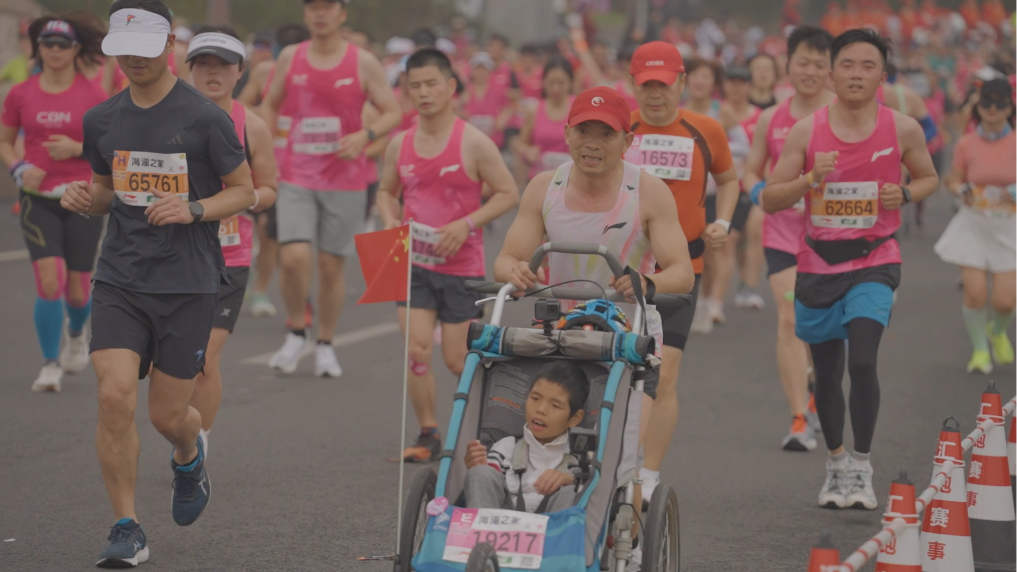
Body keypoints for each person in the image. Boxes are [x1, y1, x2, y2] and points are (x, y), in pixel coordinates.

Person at [59, 0, 255, 566]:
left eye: (144, 50)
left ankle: (189, 456)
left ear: (169, 45)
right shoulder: (101, 119)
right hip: (120, 277)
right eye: (123, 51)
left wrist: (193, 209)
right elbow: (105, 192)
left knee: (168, 417)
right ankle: (127, 528)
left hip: (188, 282)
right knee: (114, 394)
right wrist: (83, 197)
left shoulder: (206, 118)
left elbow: (245, 191)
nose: (134, 61)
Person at [762, 29, 938, 510]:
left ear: (882, 77)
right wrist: (809, 179)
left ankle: (862, 464)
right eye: (847, 65)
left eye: (867, 66)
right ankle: (836, 462)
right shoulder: (806, 131)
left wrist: (904, 193)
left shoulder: (902, 128)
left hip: (875, 258)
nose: (856, 74)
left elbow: (929, 178)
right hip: (817, 263)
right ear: (832, 74)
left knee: (862, 361)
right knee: (827, 372)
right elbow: (770, 197)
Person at [376, 49, 519, 462]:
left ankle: (484, 433)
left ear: (451, 87)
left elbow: (508, 192)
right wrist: (390, 220)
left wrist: (465, 224)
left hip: (461, 268)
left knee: (458, 360)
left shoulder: (473, 142)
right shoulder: (400, 144)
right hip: (414, 264)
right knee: (418, 351)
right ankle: (429, 435)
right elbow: (386, 191)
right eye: (415, 86)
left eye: (431, 84)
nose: (423, 93)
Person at [261, 0, 401, 377]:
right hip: (296, 174)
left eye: (328, 6)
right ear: (306, 13)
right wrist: (269, 151)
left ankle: (325, 342)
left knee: (330, 266)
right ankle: (296, 331)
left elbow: (392, 111)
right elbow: (270, 105)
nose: (319, 14)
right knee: (293, 258)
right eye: (313, 6)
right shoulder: (291, 57)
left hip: (345, 177)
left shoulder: (362, 62)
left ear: (342, 13)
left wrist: (364, 135)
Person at [625, 42, 739, 503]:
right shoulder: (620, 129)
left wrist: (722, 223)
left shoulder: (704, 129)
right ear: (634, 85)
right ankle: (614, 459)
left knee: (664, 374)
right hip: (621, 272)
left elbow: (728, 179)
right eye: (647, 85)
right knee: (615, 368)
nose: (656, 94)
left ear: (682, 83)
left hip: (681, 269)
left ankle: (647, 471)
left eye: (664, 85)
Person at [0, 14, 109, 392]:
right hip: (37, 200)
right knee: (50, 282)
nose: (55, 50)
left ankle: (76, 334)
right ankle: (50, 363)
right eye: (48, 43)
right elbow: (5, 141)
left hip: (82, 199)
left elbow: (110, 149)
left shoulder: (94, 96)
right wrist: (18, 168)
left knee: (77, 290)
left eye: (63, 44)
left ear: (77, 49)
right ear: (38, 47)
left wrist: (76, 148)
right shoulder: (21, 93)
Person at [185, 26, 279, 453]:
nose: (212, 73)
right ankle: (180, 429)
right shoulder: (167, 118)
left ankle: (197, 445)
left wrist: (243, 198)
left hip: (230, 256)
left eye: (223, 65)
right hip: (173, 253)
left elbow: (270, 188)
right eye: (203, 63)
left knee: (205, 358)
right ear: (189, 69)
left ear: (240, 72)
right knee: (173, 362)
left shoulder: (252, 127)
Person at [746, 25, 836, 452]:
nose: (811, 71)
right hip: (782, 233)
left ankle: (817, 388)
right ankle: (799, 417)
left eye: (820, 64)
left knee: (824, 327)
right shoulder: (772, 118)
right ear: (789, 65)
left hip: (833, 238)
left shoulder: (845, 114)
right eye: (804, 62)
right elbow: (751, 170)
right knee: (789, 317)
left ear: (831, 69)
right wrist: (759, 194)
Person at [934, 78, 1017, 374]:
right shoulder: (966, 143)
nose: (993, 108)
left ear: (1009, 107)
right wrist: (961, 189)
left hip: (1009, 226)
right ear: (978, 106)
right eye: (987, 101)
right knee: (975, 292)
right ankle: (980, 350)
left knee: (1005, 301)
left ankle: (998, 331)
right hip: (973, 225)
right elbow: (953, 179)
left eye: (1000, 102)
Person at [238, 23, 310, 320]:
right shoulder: (265, 72)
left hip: (295, 168)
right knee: (244, 226)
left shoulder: (315, 75)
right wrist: (265, 119)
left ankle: (261, 291)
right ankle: (238, 277)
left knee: (271, 236)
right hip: (259, 160)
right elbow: (239, 105)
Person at [463, 361, 589, 512]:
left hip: (554, 522)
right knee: (480, 473)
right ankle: (479, 527)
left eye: (555, 405)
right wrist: (478, 466)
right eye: (535, 398)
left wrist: (571, 480)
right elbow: (488, 482)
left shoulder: (581, 459)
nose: (541, 409)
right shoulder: (507, 447)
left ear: (574, 418)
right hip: (502, 520)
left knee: (574, 490)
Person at [517, 56, 575, 182]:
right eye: (551, 82)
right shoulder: (534, 110)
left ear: (570, 82)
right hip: (540, 181)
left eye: (561, 83)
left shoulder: (578, 109)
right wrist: (527, 152)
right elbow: (521, 144)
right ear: (543, 82)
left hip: (570, 182)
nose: (555, 88)